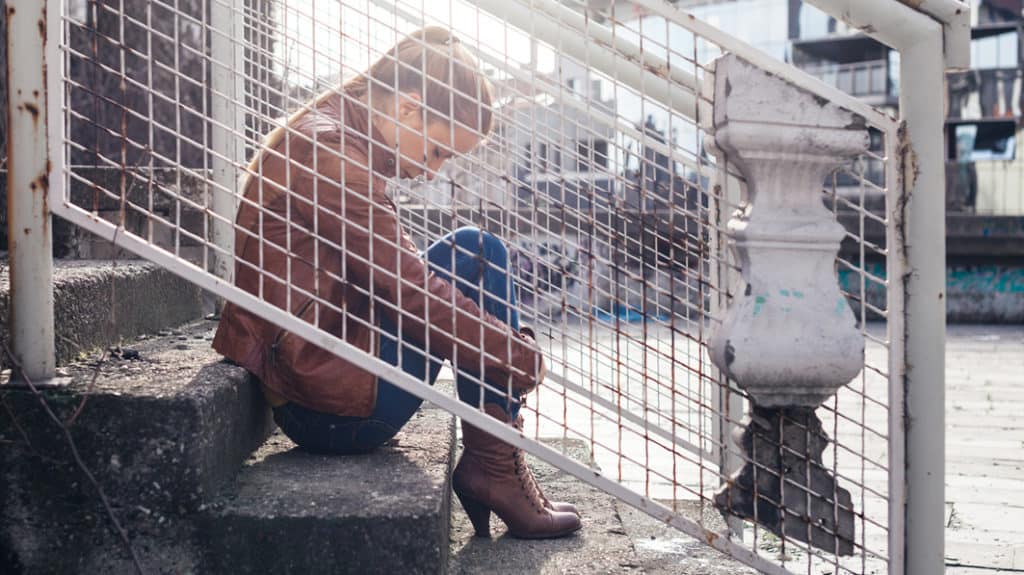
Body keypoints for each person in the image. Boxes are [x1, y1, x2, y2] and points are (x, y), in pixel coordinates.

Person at [212, 26, 581, 539]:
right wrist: (518, 358)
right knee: (479, 253)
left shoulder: (331, 135)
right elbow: (410, 292)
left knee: (472, 251)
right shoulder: (333, 157)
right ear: (408, 108)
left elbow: (402, 282)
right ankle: (494, 468)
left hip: (325, 367)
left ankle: (493, 464)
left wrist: (502, 350)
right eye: (436, 152)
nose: (432, 173)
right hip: (329, 409)